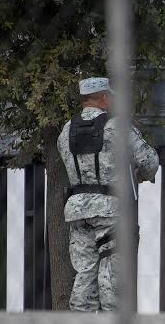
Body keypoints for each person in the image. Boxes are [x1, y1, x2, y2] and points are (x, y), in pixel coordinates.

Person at [58, 77, 159, 312]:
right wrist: (139, 174)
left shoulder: (66, 130)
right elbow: (150, 161)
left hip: (78, 211)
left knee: (84, 273)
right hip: (110, 211)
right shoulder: (117, 126)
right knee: (112, 277)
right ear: (104, 98)